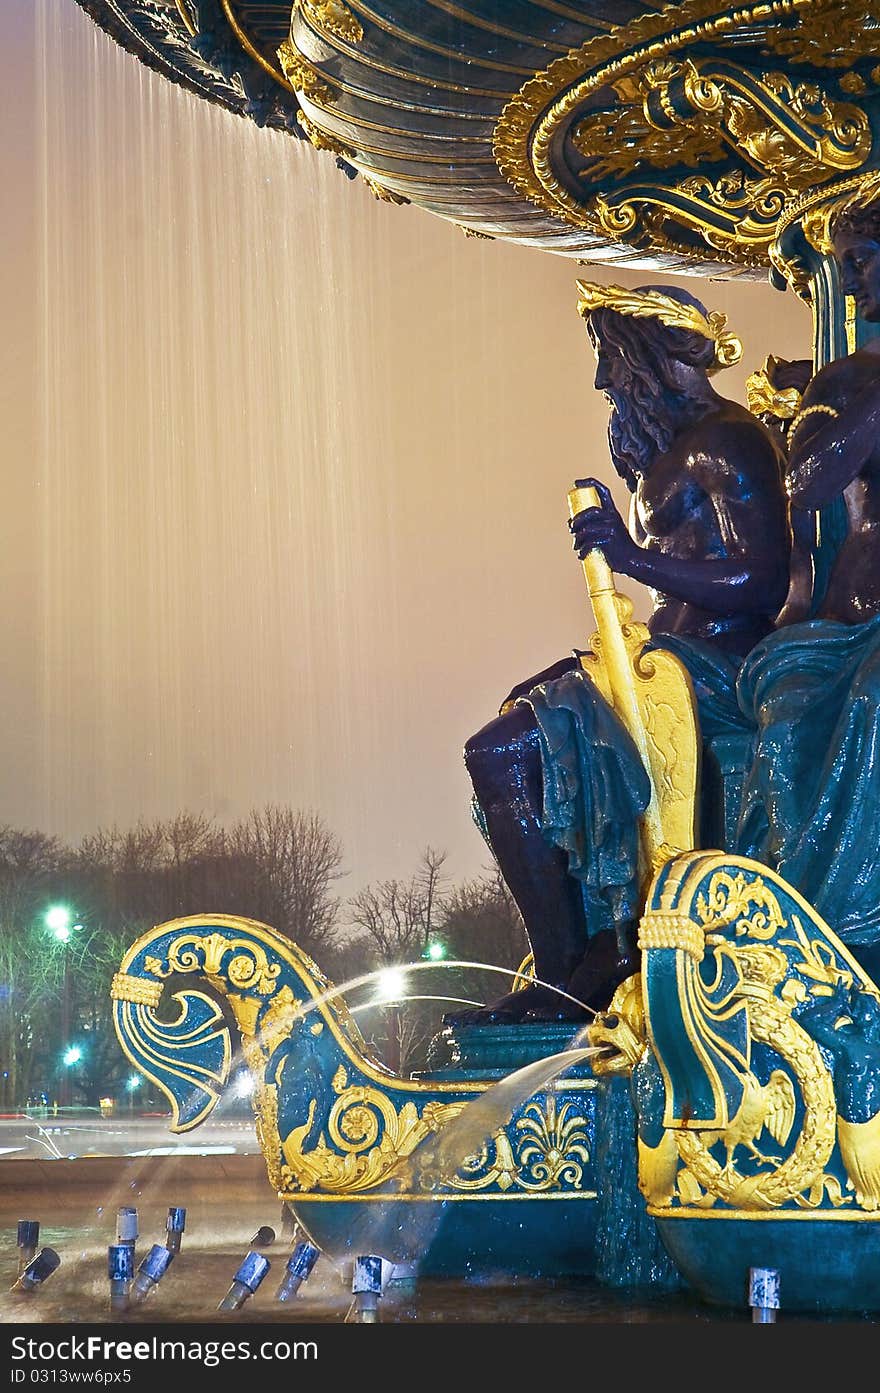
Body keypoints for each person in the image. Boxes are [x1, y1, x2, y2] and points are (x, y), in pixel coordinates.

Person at [455, 283, 790, 1025]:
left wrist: (629, 557)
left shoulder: (728, 441)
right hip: (663, 658)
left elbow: (760, 579)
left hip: (714, 670)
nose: (603, 381)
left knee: (505, 749)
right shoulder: (666, 453)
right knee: (514, 720)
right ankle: (585, 955)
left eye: (610, 358)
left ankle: (575, 969)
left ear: (650, 356)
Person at [735, 182, 880, 982]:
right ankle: (798, 942)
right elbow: (810, 484)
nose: (853, 281)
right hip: (845, 618)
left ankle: (850, 941)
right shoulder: (841, 385)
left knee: (873, 701)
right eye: (846, 265)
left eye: (861, 261)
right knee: (785, 722)